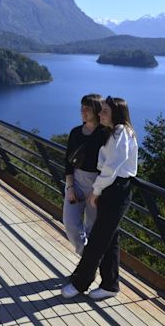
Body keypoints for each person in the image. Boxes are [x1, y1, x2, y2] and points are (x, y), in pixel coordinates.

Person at [61, 96, 138, 301]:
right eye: (101, 110)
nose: (100, 114)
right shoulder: (115, 132)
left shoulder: (120, 132)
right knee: (110, 240)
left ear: (115, 113)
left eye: (104, 111)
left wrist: (95, 191)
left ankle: (81, 282)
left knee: (97, 240)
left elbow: (112, 167)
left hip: (115, 189)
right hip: (113, 189)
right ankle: (110, 284)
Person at [63, 94, 108, 255]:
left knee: (92, 227)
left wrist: (98, 190)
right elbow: (68, 162)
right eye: (82, 107)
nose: (83, 111)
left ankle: (87, 266)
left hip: (98, 184)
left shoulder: (105, 134)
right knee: (70, 223)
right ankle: (86, 257)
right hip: (76, 181)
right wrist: (70, 187)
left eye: (87, 107)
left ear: (97, 110)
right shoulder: (75, 132)